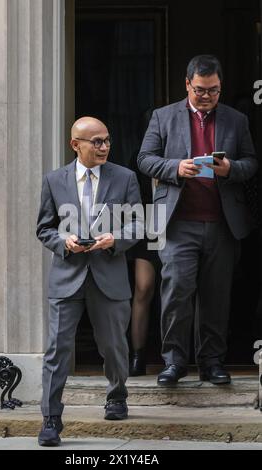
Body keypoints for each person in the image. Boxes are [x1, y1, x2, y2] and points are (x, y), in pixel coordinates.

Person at [137, 55, 258, 386]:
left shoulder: (236, 119)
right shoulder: (162, 117)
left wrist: (231, 169)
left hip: (222, 222)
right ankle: (174, 362)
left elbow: (251, 163)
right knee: (177, 292)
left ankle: (211, 362)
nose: (208, 96)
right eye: (201, 90)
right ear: (187, 83)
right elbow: (145, 159)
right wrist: (176, 167)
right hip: (178, 223)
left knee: (216, 297)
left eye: (215, 90)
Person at [36, 117, 142, 446]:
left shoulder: (125, 178)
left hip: (109, 274)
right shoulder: (54, 181)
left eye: (107, 140)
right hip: (67, 276)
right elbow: (44, 228)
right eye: (95, 141)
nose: (104, 146)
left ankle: (117, 395)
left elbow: (139, 224)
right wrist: (62, 243)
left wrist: (116, 239)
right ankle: (51, 418)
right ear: (75, 145)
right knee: (57, 350)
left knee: (113, 346)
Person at [127, 153, 159, 376]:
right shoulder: (138, 166)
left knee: (179, 290)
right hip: (148, 226)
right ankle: (137, 355)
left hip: (181, 225)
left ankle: (178, 356)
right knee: (143, 288)